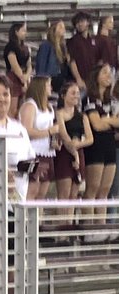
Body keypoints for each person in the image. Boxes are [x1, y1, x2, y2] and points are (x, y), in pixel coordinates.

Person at [81, 63, 119, 227]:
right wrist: (111, 122)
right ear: (96, 76)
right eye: (104, 72)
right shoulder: (89, 98)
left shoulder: (112, 100)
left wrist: (107, 121)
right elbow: (96, 124)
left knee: (105, 190)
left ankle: (101, 228)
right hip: (95, 146)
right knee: (93, 189)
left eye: (110, 73)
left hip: (110, 144)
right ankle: (89, 227)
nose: (109, 76)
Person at [53, 81, 93, 224]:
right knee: (64, 195)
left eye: (77, 93)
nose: (76, 96)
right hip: (64, 154)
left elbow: (90, 139)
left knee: (73, 195)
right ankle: (61, 230)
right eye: (73, 93)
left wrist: (78, 145)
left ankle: (69, 227)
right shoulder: (59, 113)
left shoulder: (82, 116)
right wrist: (74, 152)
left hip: (78, 153)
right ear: (63, 95)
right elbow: (64, 135)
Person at [0, 74, 34, 202]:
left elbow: (30, 157)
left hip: (18, 197)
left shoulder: (19, 128)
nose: (2, 99)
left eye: (5, 94)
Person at [19, 76, 58, 201]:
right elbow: (26, 131)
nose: (51, 88)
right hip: (33, 151)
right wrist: (48, 131)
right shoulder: (30, 105)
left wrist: (54, 140)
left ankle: (38, 220)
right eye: (48, 85)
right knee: (32, 190)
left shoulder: (49, 107)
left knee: (42, 193)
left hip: (48, 152)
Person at [3, 21, 31, 117]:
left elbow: (29, 65)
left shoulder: (26, 48)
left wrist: (26, 77)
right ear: (16, 31)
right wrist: (23, 79)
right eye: (23, 31)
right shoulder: (10, 47)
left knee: (22, 108)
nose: (25, 33)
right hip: (14, 78)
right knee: (13, 108)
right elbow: (14, 66)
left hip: (24, 77)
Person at [35, 19, 70, 96]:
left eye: (64, 27)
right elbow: (41, 64)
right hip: (50, 80)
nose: (63, 29)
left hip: (61, 82)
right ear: (54, 29)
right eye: (60, 26)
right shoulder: (46, 45)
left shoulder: (63, 47)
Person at [67, 11, 97, 91]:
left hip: (93, 80)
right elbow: (72, 61)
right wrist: (78, 79)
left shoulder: (93, 40)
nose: (80, 24)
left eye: (82, 21)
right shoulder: (73, 41)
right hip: (80, 80)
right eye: (77, 22)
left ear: (88, 22)